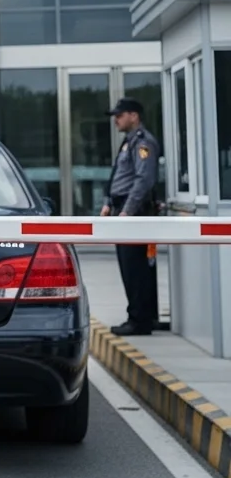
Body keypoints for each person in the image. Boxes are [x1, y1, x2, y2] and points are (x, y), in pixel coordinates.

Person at [100, 97, 160, 337]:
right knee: (131, 267)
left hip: (133, 212)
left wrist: (127, 210)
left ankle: (139, 320)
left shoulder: (143, 143)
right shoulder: (129, 142)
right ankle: (144, 315)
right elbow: (119, 176)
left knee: (135, 268)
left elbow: (143, 179)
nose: (116, 119)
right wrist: (108, 203)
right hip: (122, 208)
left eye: (120, 114)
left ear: (134, 116)